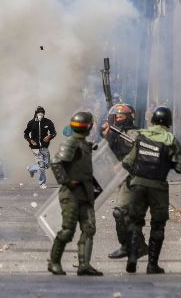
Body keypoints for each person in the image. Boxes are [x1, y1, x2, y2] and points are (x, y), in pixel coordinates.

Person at [122, 107, 181, 274]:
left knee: (135, 222)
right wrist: (168, 164)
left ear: (152, 121)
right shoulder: (170, 139)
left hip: (138, 186)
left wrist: (137, 174)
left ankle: (132, 258)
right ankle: (152, 265)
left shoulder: (141, 135)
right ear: (169, 122)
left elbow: (127, 162)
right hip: (158, 188)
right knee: (158, 226)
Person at [48, 111, 102, 276]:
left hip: (85, 193)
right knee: (67, 231)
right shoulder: (71, 143)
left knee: (89, 229)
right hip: (71, 194)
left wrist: (95, 185)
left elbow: (84, 169)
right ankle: (54, 262)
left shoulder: (85, 145)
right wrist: (66, 181)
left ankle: (84, 265)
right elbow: (56, 162)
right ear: (88, 127)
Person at [100, 103, 147, 260]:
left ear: (128, 118)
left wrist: (124, 162)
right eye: (115, 116)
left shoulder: (133, 134)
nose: (117, 119)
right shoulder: (114, 133)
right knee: (128, 215)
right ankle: (139, 245)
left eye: (120, 116)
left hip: (134, 178)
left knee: (120, 212)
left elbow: (139, 150)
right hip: (122, 179)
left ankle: (127, 246)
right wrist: (106, 134)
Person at [24, 106, 57, 189]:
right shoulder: (31, 123)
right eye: (39, 112)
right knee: (41, 166)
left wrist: (49, 137)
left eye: (42, 112)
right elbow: (26, 134)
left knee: (47, 165)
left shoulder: (48, 122)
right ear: (36, 113)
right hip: (35, 148)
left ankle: (31, 168)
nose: (40, 114)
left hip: (44, 147)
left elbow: (54, 132)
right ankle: (42, 183)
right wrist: (30, 140)